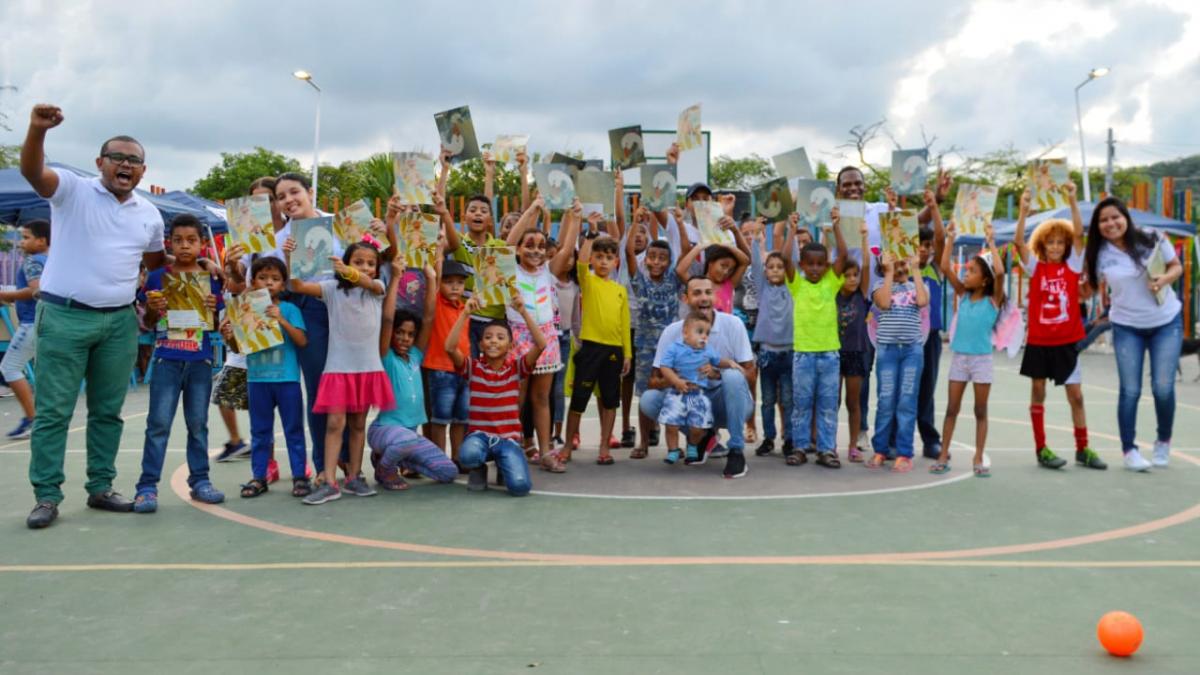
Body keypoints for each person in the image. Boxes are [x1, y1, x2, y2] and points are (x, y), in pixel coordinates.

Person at [21, 104, 166, 529]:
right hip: (65, 317)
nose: (125, 164)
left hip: (119, 322)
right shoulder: (73, 189)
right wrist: (36, 130)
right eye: (117, 157)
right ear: (99, 163)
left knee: (107, 411)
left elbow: (155, 258)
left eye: (134, 160)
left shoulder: (149, 214)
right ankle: (47, 496)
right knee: (54, 412)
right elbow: (34, 172)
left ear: (143, 171)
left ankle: (100, 487)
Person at [288, 242, 396, 505]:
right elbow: (297, 287)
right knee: (335, 424)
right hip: (338, 368)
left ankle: (355, 477)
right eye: (358, 261)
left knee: (359, 424)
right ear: (346, 262)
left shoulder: (377, 289)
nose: (365, 267)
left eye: (371, 263)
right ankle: (329, 481)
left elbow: (367, 282)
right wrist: (290, 256)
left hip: (367, 369)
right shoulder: (331, 289)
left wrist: (350, 271)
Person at [132, 214, 226, 512]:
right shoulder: (159, 277)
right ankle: (147, 487)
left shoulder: (210, 278)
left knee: (198, 424)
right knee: (158, 424)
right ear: (168, 243)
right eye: (178, 241)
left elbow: (212, 325)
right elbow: (147, 323)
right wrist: (152, 310)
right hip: (166, 360)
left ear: (202, 244)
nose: (185, 246)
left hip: (199, 361)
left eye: (191, 240)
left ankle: (200, 481)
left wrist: (212, 310)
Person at [1084, 196, 1185, 471]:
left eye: (1115, 217)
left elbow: (1177, 266)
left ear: (1125, 217)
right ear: (1098, 226)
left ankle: (1163, 440)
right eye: (1103, 220)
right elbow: (1088, 289)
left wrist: (1164, 279)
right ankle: (1129, 450)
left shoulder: (1152, 237)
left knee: (1163, 388)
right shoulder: (1099, 253)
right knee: (1130, 390)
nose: (1110, 223)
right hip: (1127, 326)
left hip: (1166, 322)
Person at [1013, 185, 1104, 471]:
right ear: (1042, 245)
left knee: (1076, 396)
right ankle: (1041, 448)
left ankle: (1082, 448)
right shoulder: (1035, 268)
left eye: (1059, 243)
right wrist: (1024, 212)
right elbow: (1018, 244)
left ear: (1066, 246)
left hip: (1068, 341)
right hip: (1040, 341)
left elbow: (1079, 233)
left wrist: (1073, 200)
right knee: (1038, 392)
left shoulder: (1073, 267)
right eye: (1050, 242)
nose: (1055, 247)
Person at [640, 276, 756, 479]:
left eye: (708, 292)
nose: (704, 298)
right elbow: (653, 381)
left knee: (733, 375)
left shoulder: (733, 324)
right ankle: (702, 436)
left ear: (715, 296)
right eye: (697, 293)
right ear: (685, 298)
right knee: (648, 400)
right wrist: (675, 379)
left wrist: (717, 372)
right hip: (692, 399)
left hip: (727, 402)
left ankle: (736, 450)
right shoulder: (672, 332)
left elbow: (750, 374)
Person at [368, 258, 457, 490]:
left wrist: (430, 278)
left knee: (448, 472)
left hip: (409, 437)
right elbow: (387, 319)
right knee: (404, 440)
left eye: (409, 334)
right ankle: (385, 470)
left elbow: (428, 318)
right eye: (400, 333)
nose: (405, 338)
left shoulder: (416, 355)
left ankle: (397, 459)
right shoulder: (386, 356)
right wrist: (396, 277)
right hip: (384, 432)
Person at [445, 295, 547, 496]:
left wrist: (523, 312)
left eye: (501, 338)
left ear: (510, 346)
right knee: (468, 454)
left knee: (520, 487)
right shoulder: (473, 368)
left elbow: (541, 344)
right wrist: (465, 313)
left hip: (507, 439)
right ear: (481, 344)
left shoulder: (516, 369)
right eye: (488, 337)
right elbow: (449, 347)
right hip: (479, 437)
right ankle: (479, 468)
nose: (493, 341)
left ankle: (504, 464)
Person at [557, 204, 632, 468]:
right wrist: (590, 232)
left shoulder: (620, 290)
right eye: (598, 257)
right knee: (579, 399)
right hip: (589, 349)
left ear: (615, 262)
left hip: (613, 351)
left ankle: (603, 447)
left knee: (611, 400)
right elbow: (579, 263)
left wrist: (628, 354)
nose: (602, 262)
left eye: (608, 258)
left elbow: (624, 323)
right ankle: (567, 446)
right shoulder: (587, 280)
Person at [930, 223, 1005, 477]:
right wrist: (950, 239)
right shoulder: (962, 295)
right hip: (960, 358)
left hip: (981, 360)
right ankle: (943, 454)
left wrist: (992, 243)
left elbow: (1001, 272)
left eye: (971, 271)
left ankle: (978, 457)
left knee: (980, 410)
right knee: (952, 408)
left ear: (984, 279)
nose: (965, 273)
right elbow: (944, 266)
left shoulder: (993, 300)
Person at [504, 196, 573, 464]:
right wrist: (532, 209)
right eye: (529, 245)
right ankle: (511, 450)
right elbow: (508, 242)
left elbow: (566, 248)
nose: (535, 250)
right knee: (516, 398)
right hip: (518, 337)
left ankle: (545, 451)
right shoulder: (509, 268)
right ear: (518, 250)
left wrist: (574, 216)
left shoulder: (548, 271)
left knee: (541, 397)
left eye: (541, 246)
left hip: (546, 339)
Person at [232, 258, 308, 499]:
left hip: (287, 380)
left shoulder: (289, 309)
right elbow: (238, 347)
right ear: (253, 282)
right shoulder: (245, 309)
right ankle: (259, 477)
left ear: (283, 285)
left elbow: (302, 341)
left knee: (293, 429)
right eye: (263, 278)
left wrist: (281, 320)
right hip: (257, 380)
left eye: (275, 279)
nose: (269, 283)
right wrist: (228, 335)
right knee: (260, 431)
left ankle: (299, 476)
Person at [783, 207, 850, 468]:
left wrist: (835, 227)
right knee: (801, 404)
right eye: (809, 263)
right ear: (802, 265)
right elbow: (786, 258)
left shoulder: (831, 282)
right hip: (803, 355)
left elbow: (844, 254)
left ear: (827, 266)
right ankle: (799, 447)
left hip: (829, 355)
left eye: (820, 264)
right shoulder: (796, 284)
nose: (814, 268)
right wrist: (791, 230)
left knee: (827, 404)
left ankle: (826, 449)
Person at [866, 249, 929, 472]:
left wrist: (916, 269)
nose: (900, 268)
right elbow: (883, 304)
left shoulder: (916, 287)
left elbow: (922, 301)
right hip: (888, 351)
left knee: (906, 401)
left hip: (912, 351)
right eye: (895, 263)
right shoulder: (879, 287)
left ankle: (904, 452)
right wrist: (889, 272)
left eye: (903, 264)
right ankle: (881, 449)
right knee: (886, 400)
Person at [627, 215, 683, 459]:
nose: (657, 262)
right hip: (645, 347)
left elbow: (686, 251)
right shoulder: (640, 282)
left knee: (674, 393)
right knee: (645, 395)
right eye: (652, 257)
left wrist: (679, 224)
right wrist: (633, 224)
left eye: (663, 258)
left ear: (669, 261)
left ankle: (675, 444)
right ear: (645, 260)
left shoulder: (674, 280)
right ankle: (644, 442)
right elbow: (628, 253)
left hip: (671, 350)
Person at [0, 219, 50, 440]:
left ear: (41, 241)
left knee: (9, 367)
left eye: (26, 237)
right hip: (48, 323)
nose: (21, 242)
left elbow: (35, 290)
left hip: (32, 323)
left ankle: (32, 418)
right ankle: (40, 418)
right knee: (44, 373)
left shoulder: (32, 262)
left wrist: (5, 295)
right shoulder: (52, 261)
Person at [657, 312, 726, 465]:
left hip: (698, 394)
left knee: (697, 428)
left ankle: (693, 445)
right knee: (671, 424)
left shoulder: (708, 350)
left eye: (707, 333)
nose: (704, 336)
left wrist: (716, 371)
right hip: (677, 393)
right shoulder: (674, 348)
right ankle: (673, 450)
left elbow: (718, 365)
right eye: (699, 331)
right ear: (685, 332)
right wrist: (676, 381)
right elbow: (664, 366)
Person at [424, 255, 473, 463]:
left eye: (460, 283)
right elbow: (433, 282)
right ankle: (439, 460)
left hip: (463, 368)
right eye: (449, 282)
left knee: (461, 418)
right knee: (440, 418)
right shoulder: (436, 303)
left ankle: (458, 457)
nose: (455, 287)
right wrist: (439, 252)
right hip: (440, 369)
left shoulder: (465, 308)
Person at [836, 221, 871, 462]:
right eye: (847, 275)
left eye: (855, 275)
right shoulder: (833, 295)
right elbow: (840, 257)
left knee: (853, 402)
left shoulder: (862, 295)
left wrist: (864, 238)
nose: (852, 279)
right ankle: (823, 442)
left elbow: (867, 264)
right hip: (834, 353)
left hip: (856, 353)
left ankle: (852, 445)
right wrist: (836, 229)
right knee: (832, 400)